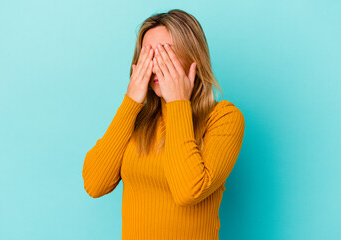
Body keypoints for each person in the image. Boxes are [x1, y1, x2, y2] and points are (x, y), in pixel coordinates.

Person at [82, 9, 245, 240]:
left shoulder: (224, 118)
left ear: (193, 57)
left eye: (166, 54)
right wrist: (130, 103)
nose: (157, 66)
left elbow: (188, 191)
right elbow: (94, 183)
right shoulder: (137, 119)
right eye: (149, 55)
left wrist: (178, 102)